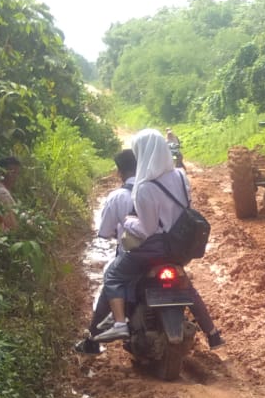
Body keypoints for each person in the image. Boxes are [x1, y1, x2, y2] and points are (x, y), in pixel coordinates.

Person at [91, 129, 223, 349]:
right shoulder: (181, 176)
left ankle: (120, 323)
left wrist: (128, 221)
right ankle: (213, 333)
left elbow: (148, 228)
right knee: (186, 286)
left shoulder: (144, 188)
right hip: (182, 246)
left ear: (141, 153)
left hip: (155, 248)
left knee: (114, 275)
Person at [74, 148, 138, 354]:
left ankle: (93, 340)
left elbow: (105, 232)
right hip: (164, 252)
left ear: (119, 172)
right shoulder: (154, 190)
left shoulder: (118, 197)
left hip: (131, 255)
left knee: (110, 283)